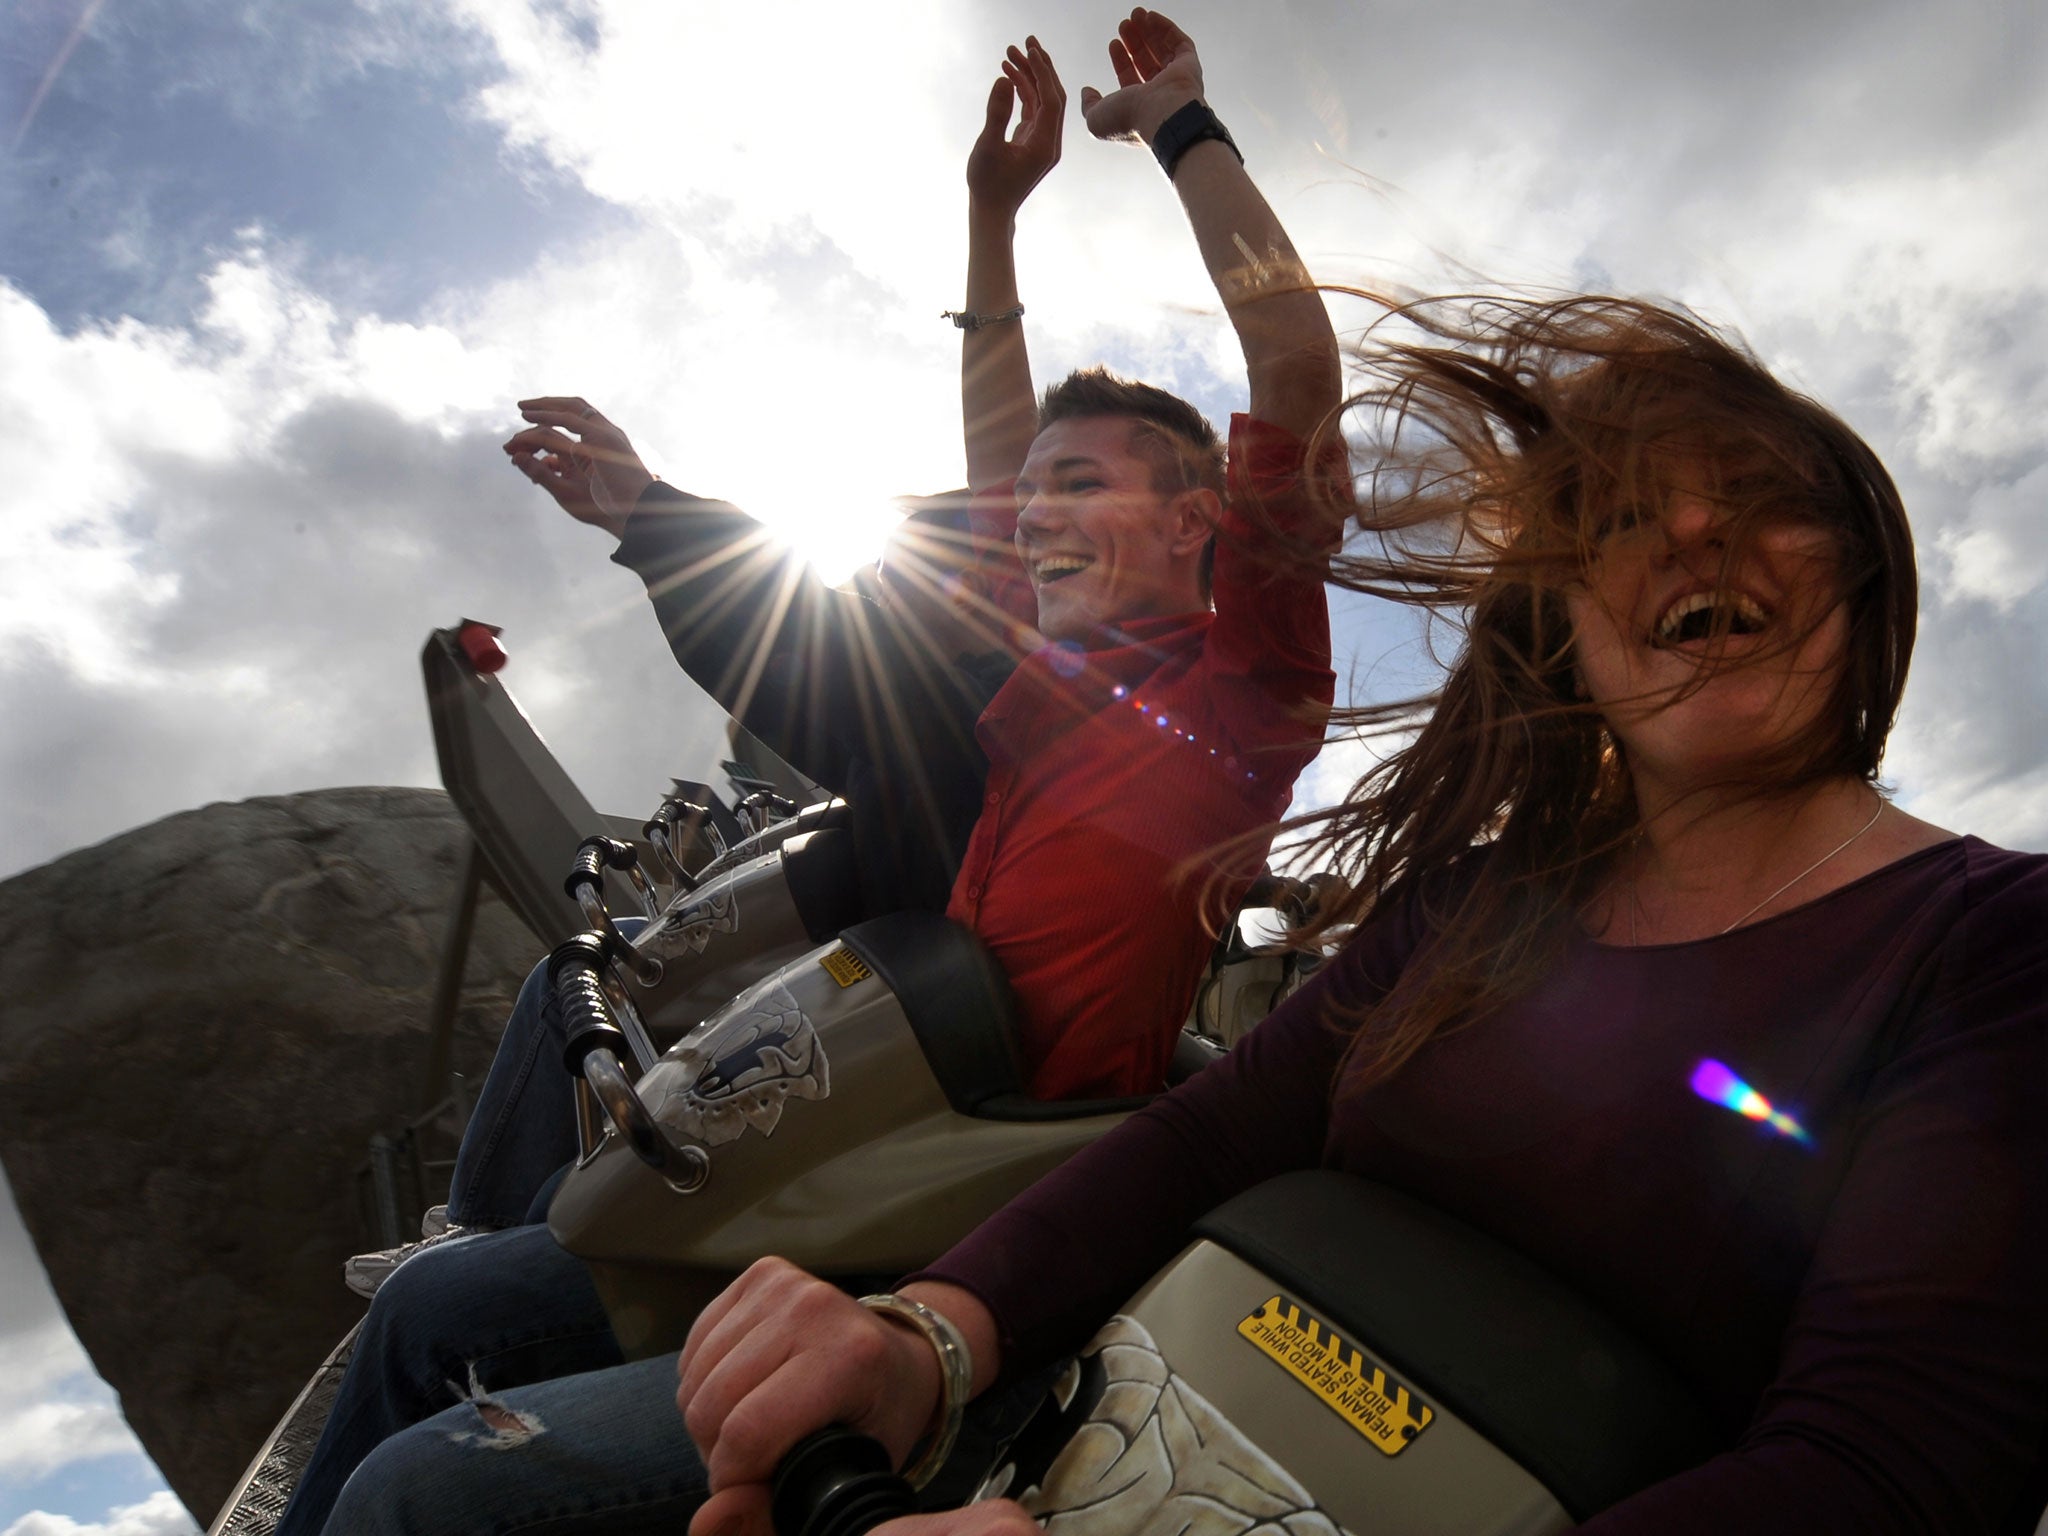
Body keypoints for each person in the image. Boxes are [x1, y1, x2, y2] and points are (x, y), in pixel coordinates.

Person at [674, 294, 2048, 1535]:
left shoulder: (1998, 946)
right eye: (1620, 518)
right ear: (1563, 625)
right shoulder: (1472, 904)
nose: (1692, 531)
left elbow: (1893, 1468)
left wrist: (1178, 130)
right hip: (1111, 1435)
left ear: (1865, 568)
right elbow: (1212, 1133)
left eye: (1757, 494)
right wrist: (933, 1335)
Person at [279, 12, 1343, 1532]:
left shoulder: (1246, 694)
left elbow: (1294, 356)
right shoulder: (1034, 693)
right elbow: (997, 445)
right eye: (1031, 497)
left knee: (425, 1491)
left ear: (1199, 523)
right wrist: (992, 212)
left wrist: (1183, 125)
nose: (1035, 517)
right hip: (867, 1154)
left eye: (1086, 486)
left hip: (974, 1242)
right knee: (423, 1317)